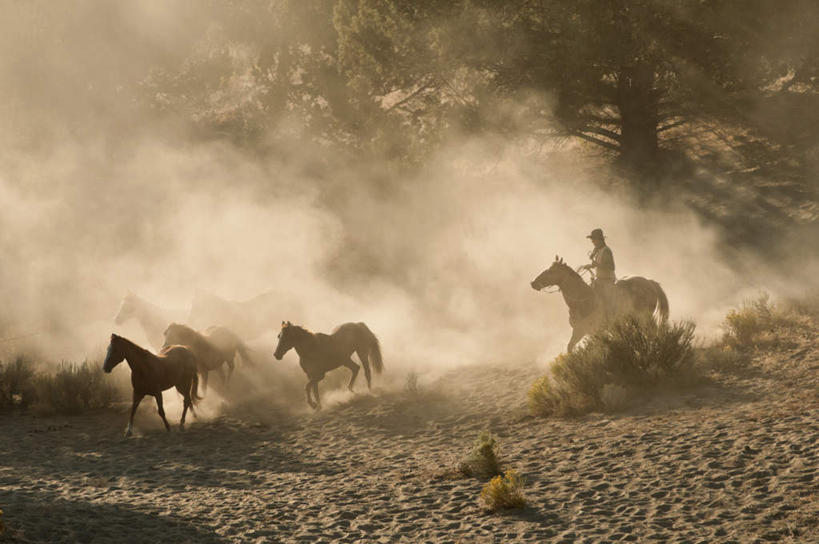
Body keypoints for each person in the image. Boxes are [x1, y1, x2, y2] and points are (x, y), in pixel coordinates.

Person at [580, 228, 616, 320]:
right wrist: (590, 265)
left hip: (607, 280)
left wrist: (596, 265)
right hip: (600, 280)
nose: (592, 242)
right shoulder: (599, 250)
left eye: (594, 240)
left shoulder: (606, 251)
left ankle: (608, 317)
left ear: (599, 239)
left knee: (605, 300)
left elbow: (611, 267)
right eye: (592, 240)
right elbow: (599, 264)